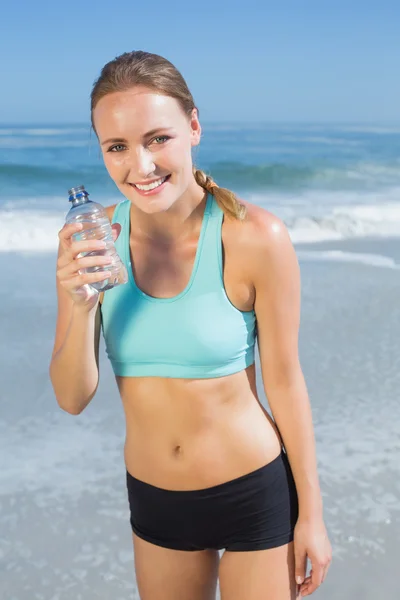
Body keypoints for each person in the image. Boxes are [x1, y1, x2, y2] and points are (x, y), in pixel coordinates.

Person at [49, 50, 332, 600]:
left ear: (194, 127)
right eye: (117, 147)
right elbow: (71, 397)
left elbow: (287, 381)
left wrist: (312, 518)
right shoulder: (92, 242)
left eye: (158, 138)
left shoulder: (254, 237)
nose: (141, 166)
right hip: (156, 502)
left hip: (253, 493)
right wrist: (80, 303)